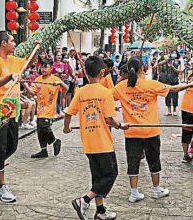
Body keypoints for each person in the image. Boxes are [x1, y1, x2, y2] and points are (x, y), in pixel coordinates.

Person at [112, 57, 193, 203]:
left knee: (133, 162)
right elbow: (174, 88)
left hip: (132, 131)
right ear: (142, 68)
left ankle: (134, 192)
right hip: (150, 131)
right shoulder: (150, 84)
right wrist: (190, 85)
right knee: (153, 160)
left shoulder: (121, 87)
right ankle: (157, 190)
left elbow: (107, 97)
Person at [64, 56, 129, 220]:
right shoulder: (105, 93)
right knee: (111, 174)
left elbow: (68, 113)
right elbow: (109, 119)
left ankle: (101, 212)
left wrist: (66, 128)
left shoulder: (81, 92)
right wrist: (120, 125)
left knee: (98, 177)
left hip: (88, 142)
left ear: (86, 74)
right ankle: (84, 200)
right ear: (102, 72)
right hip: (103, 143)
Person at [0, 31, 31, 203]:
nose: (14, 44)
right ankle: (1, 188)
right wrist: (10, 77)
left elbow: (29, 61)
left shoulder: (14, 60)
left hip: (12, 111)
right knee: (1, 148)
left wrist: (38, 46)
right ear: (3, 43)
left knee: (12, 146)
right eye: (12, 41)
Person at [22, 59, 68, 158]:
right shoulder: (38, 79)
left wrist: (60, 84)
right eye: (42, 67)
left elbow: (66, 89)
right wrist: (24, 84)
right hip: (40, 109)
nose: (43, 69)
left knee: (44, 126)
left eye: (46, 67)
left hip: (50, 109)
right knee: (40, 130)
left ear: (51, 68)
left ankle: (55, 141)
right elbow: (33, 92)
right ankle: (44, 150)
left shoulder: (55, 79)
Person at [163, 50, 182, 116]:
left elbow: (178, 71)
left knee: (175, 95)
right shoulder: (168, 60)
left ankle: (174, 110)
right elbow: (159, 64)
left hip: (175, 80)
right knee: (167, 95)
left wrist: (173, 67)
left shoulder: (178, 61)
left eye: (175, 53)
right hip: (167, 80)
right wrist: (166, 60)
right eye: (172, 53)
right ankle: (169, 111)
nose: (173, 54)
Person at [52, 51, 70, 117]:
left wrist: (61, 74)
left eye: (60, 55)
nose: (59, 57)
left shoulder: (63, 64)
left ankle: (59, 110)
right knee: (54, 97)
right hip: (54, 83)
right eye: (57, 55)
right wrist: (56, 74)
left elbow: (65, 74)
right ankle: (54, 111)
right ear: (55, 56)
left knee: (60, 97)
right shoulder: (53, 64)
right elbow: (51, 74)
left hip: (61, 82)